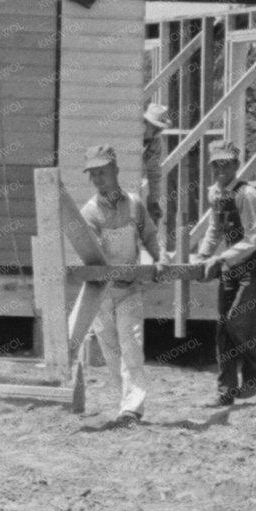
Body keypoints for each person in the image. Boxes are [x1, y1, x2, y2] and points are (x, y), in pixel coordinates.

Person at [79, 144, 162, 425]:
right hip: (101, 293)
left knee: (132, 346)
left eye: (103, 172)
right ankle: (123, 404)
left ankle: (132, 408)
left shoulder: (135, 204)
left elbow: (149, 236)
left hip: (131, 289)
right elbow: (91, 257)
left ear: (115, 170)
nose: (99, 179)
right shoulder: (89, 214)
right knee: (111, 352)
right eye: (94, 174)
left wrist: (158, 259)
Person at [196, 142, 256, 406]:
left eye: (227, 164)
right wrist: (204, 255)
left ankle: (254, 375)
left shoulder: (248, 195)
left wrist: (222, 258)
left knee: (239, 322)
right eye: (216, 164)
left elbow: (253, 238)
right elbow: (215, 229)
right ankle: (226, 391)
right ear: (210, 166)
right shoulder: (215, 194)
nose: (221, 169)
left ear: (236, 165)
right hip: (231, 267)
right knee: (223, 329)